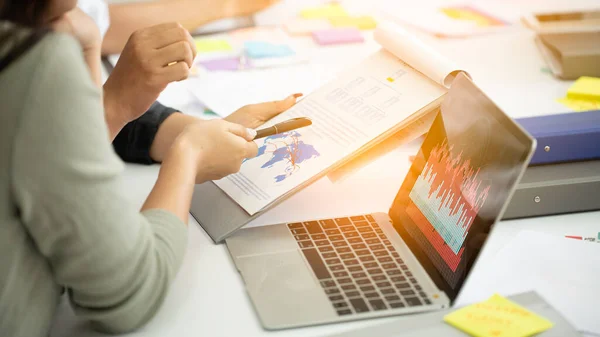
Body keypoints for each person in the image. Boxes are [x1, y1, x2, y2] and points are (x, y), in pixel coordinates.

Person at [0, 1, 298, 337]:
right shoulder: (28, 58)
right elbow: (129, 288)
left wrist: (179, 127)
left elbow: (54, 141)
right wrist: (189, 154)